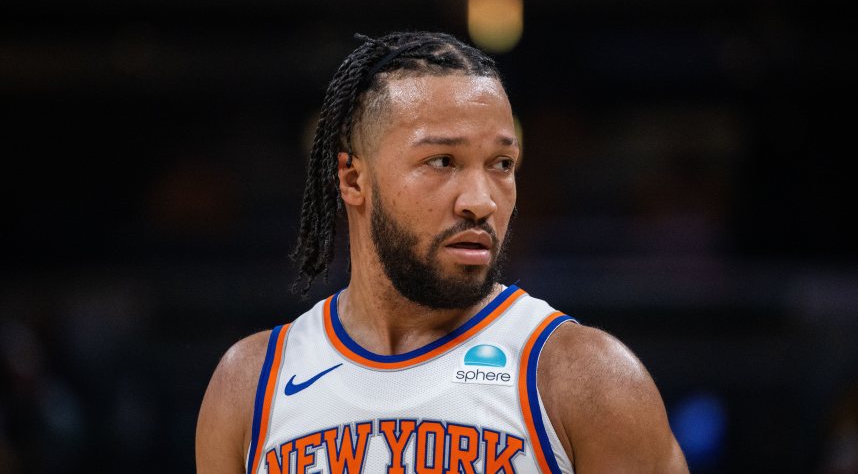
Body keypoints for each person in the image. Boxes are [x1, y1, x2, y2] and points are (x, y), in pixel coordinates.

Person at [196, 31, 688, 474]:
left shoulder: (587, 380)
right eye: (442, 161)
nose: (481, 200)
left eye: (501, 163)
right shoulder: (249, 385)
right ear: (352, 178)